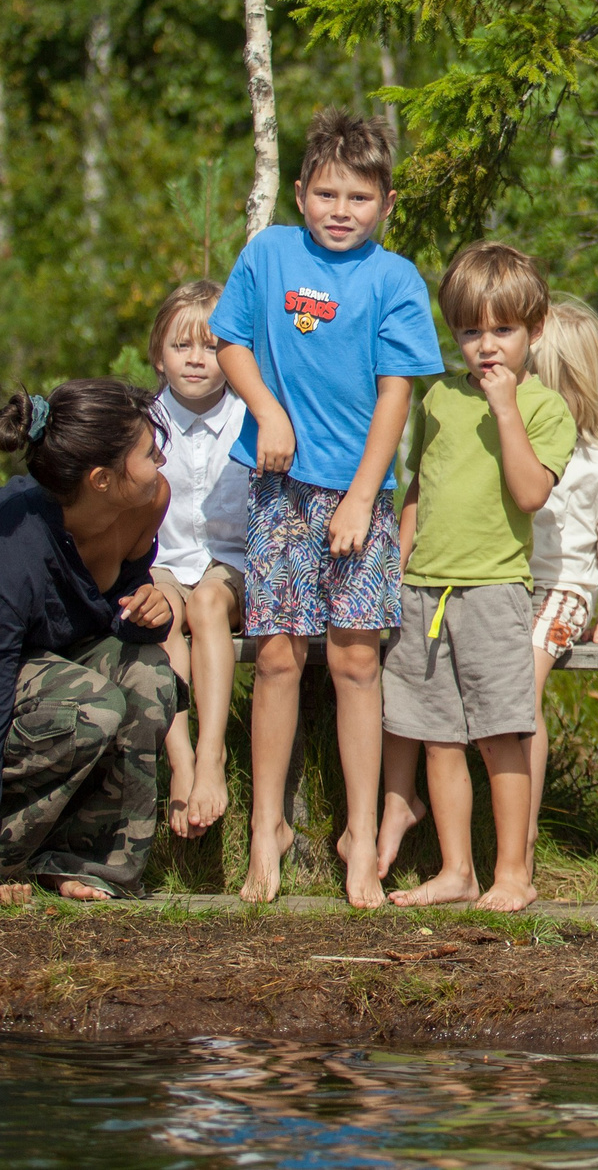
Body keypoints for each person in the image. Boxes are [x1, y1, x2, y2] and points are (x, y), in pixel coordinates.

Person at [212, 108, 446, 908]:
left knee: (353, 660)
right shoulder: (270, 254)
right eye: (325, 193)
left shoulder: (394, 278)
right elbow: (231, 341)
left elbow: (396, 396)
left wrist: (359, 498)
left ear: (384, 202)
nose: (339, 210)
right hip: (278, 487)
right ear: (302, 192)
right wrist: (267, 411)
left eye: (358, 196)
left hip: (360, 496)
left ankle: (357, 835)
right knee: (277, 655)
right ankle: (265, 829)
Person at [0, 380, 178, 904]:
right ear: (101, 479)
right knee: (93, 706)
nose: (160, 459)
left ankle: (86, 863)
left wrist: (148, 611)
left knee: (149, 675)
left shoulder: (147, 499)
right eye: (147, 451)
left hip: (54, 644)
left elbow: (116, 610)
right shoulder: (4, 554)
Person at [375, 241, 574, 912]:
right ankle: (456, 868)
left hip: (493, 589)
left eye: (503, 329)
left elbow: (529, 494)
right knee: (438, 735)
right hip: (424, 587)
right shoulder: (436, 399)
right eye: (469, 330)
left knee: (499, 733)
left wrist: (506, 407)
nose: (486, 345)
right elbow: (418, 491)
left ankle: (513, 870)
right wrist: (395, 567)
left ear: (535, 330)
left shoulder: (545, 407)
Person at [521, 295, 598, 846]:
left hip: (567, 589)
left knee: (522, 685)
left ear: (576, 385)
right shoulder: (518, 441)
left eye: (538, 377)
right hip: (511, 581)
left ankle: (519, 838)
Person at [144, 278, 250, 840]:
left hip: (231, 568)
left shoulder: (248, 416)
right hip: (164, 564)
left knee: (207, 603)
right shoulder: (144, 422)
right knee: (164, 610)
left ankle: (212, 757)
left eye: (211, 347)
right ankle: (180, 763)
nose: (195, 360)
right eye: (181, 346)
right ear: (158, 354)